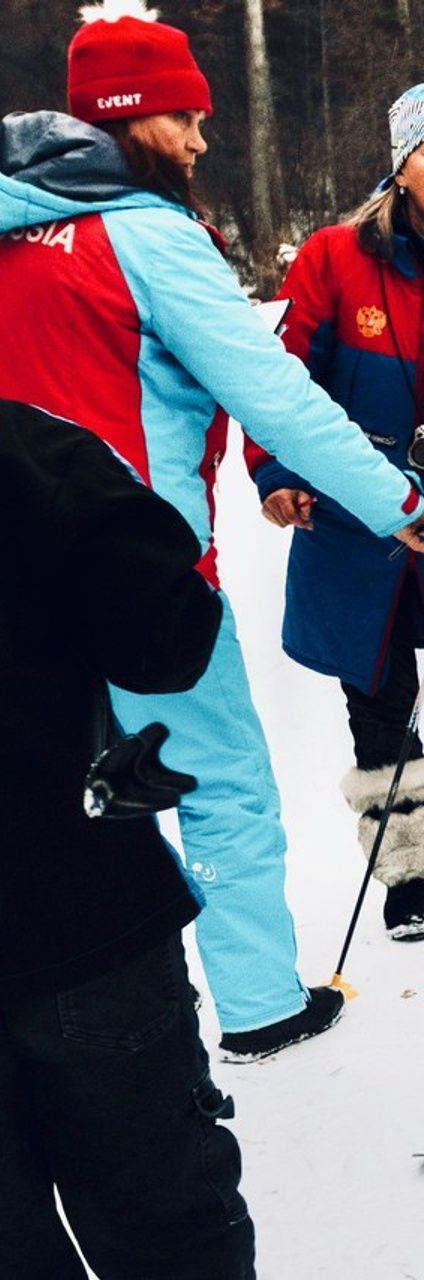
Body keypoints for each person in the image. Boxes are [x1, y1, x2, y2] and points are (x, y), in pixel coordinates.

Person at [0, 2, 424, 1062]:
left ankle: (84, 1023)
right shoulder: (149, 236)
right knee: (219, 787)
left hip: (18, 584)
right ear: (130, 118)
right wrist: (396, 504)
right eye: (186, 118)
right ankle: (257, 1006)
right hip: (138, 578)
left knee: (61, 797)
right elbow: (275, 395)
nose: (202, 140)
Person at [246, 80, 424, 941]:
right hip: (353, 516)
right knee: (376, 696)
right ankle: (407, 867)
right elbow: (280, 382)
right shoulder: (332, 259)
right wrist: (274, 472)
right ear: (401, 167)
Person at [0, 399, 254, 1278]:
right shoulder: (30, 453)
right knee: (168, 1238)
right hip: (82, 924)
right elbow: (170, 639)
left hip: (79, 917)